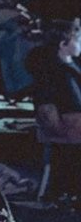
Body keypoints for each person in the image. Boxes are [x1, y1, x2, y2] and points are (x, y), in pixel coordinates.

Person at [29, 17, 81, 198]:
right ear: (63, 44)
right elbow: (48, 113)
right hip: (68, 134)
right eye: (77, 38)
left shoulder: (75, 67)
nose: (80, 42)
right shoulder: (50, 73)